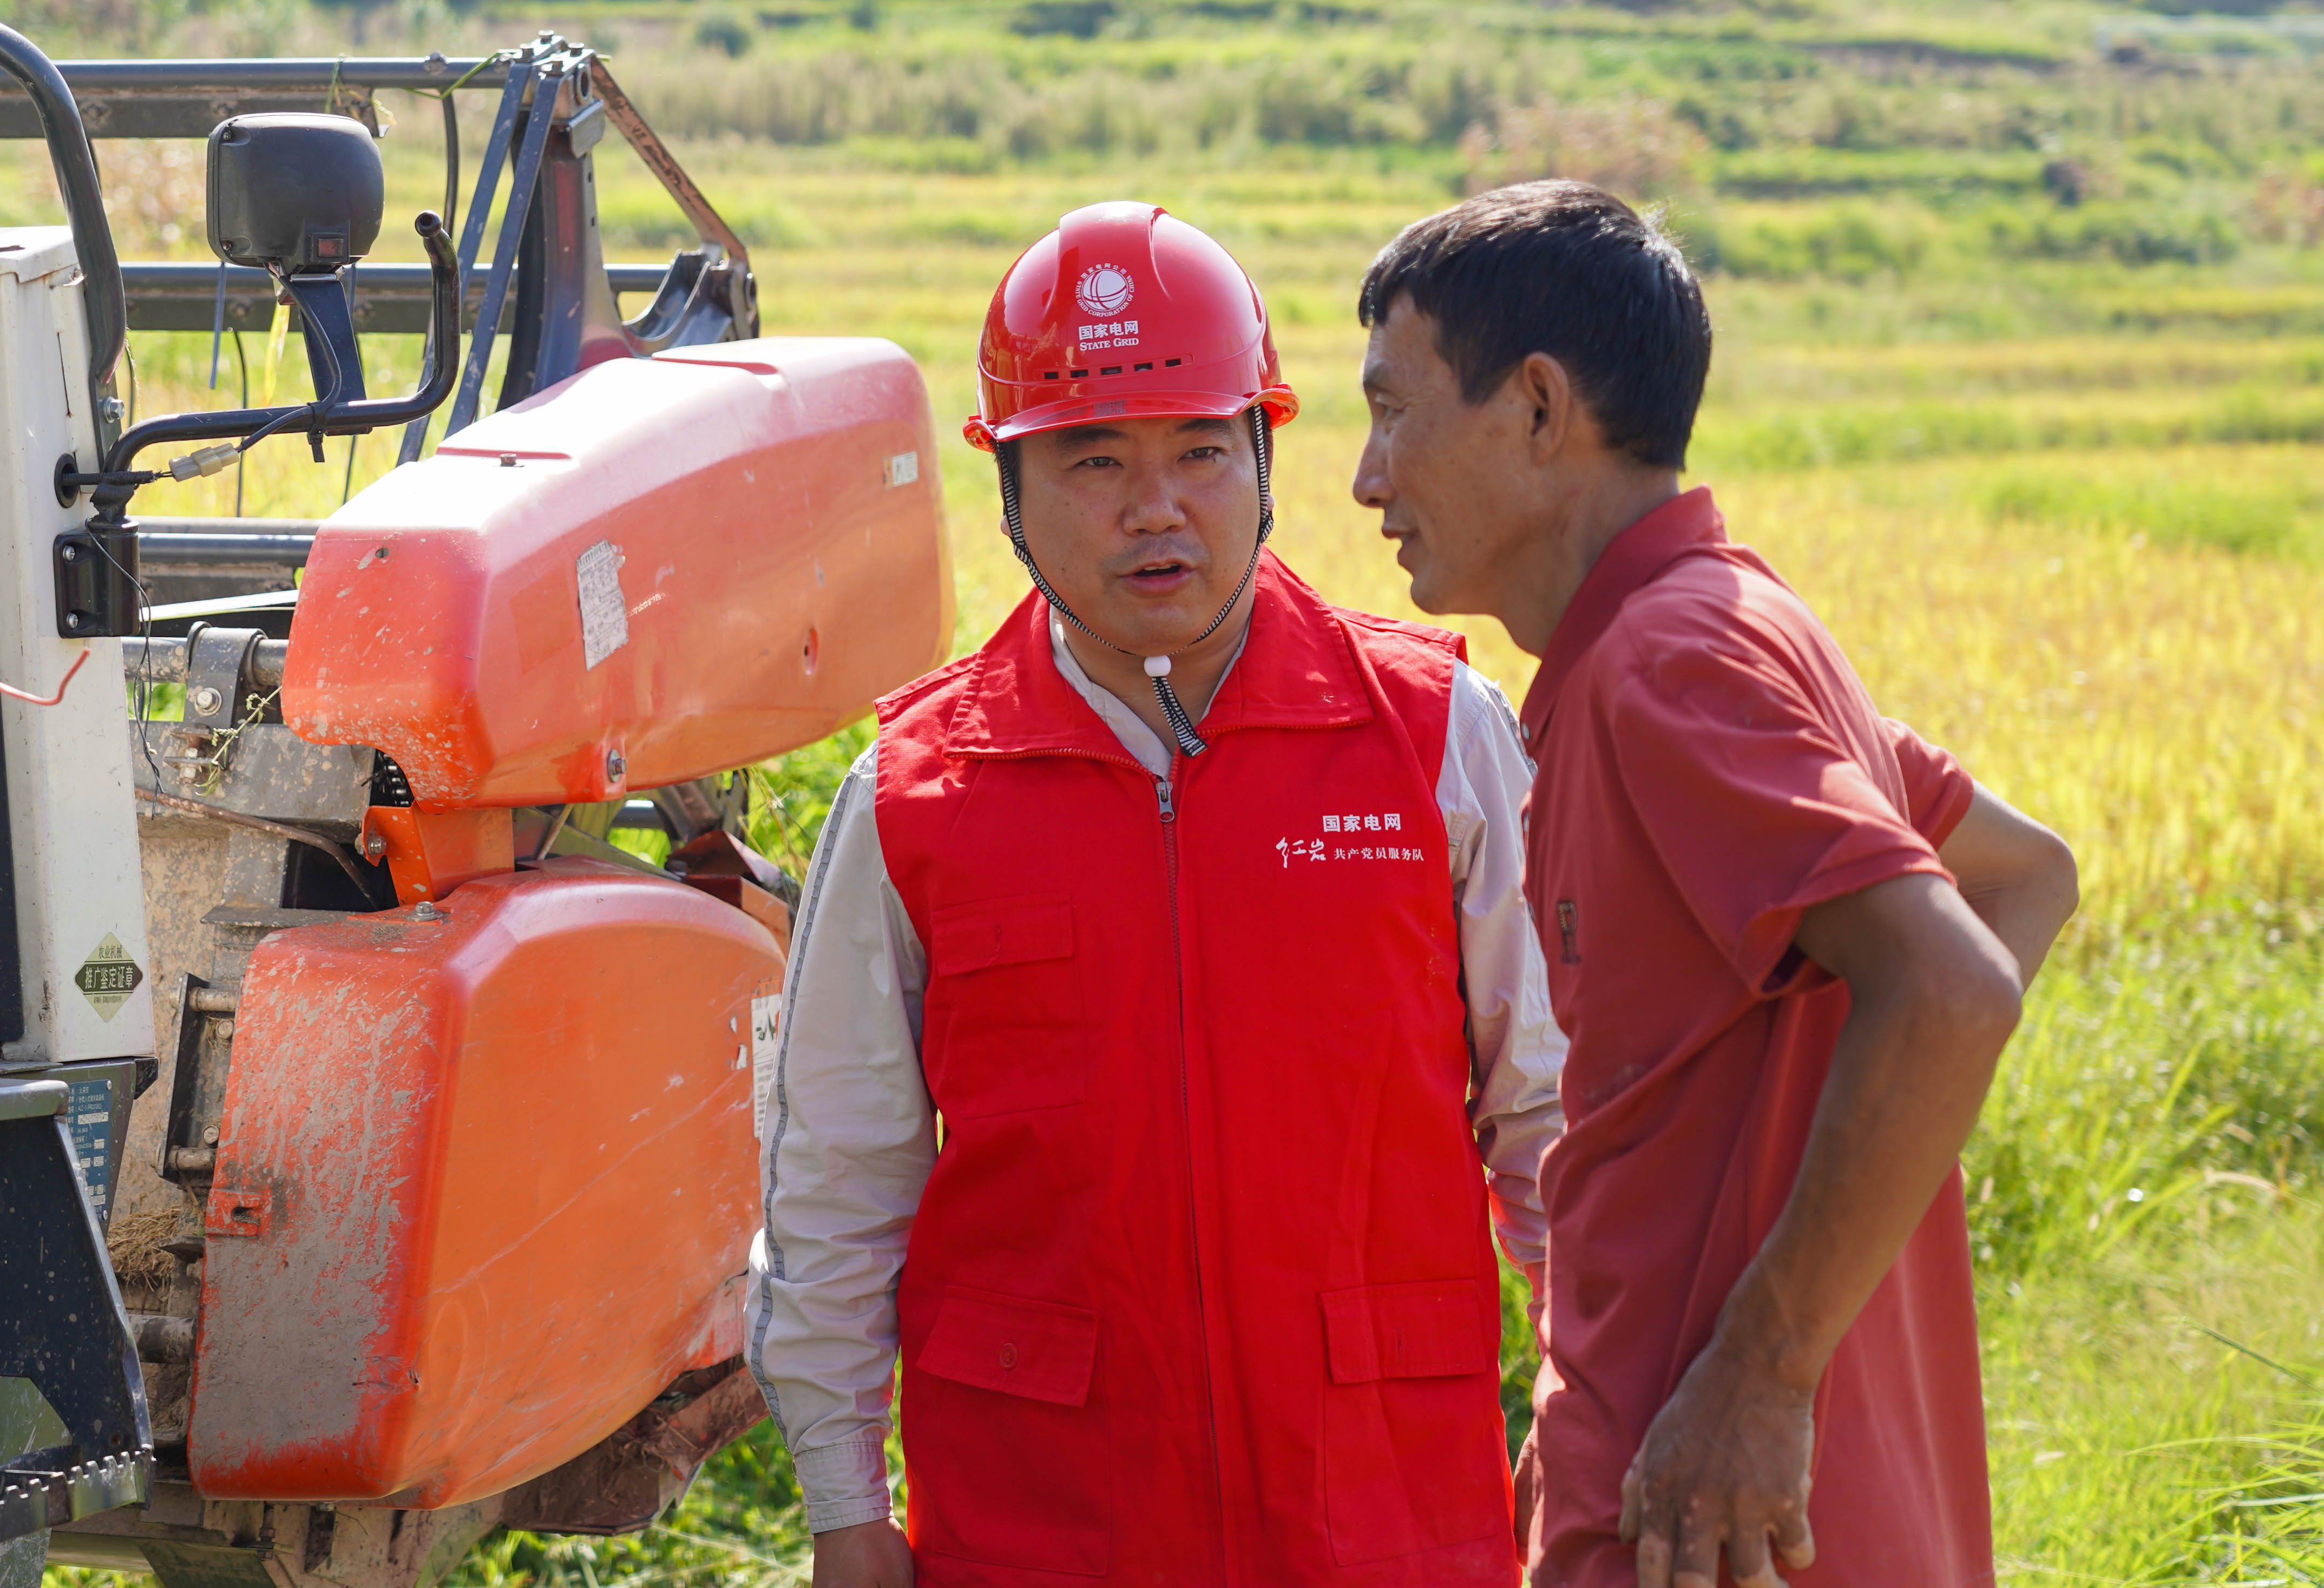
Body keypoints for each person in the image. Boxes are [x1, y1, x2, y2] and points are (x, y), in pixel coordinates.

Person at [749, 201, 1566, 1588]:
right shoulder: (915, 794)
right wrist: (844, 1504)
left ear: (1264, 457)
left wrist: (1595, 1431)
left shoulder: (1437, 736)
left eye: (1200, 450)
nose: (1155, 508)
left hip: (1383, 1518)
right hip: (1041, 1526)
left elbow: (1555, 1129)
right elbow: (839, 1177)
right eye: (1093, 460)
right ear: (1007, 488)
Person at [1347, 181, 2079, 1588]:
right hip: (1743, 1492)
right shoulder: (1736, 619)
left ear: (1542, 410)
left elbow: (1951, 982)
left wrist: (1764, 1367)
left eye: (1394, 411)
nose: (1371, 478)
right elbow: (2023, 876)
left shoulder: (1664, 670)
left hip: (1718, 1531)